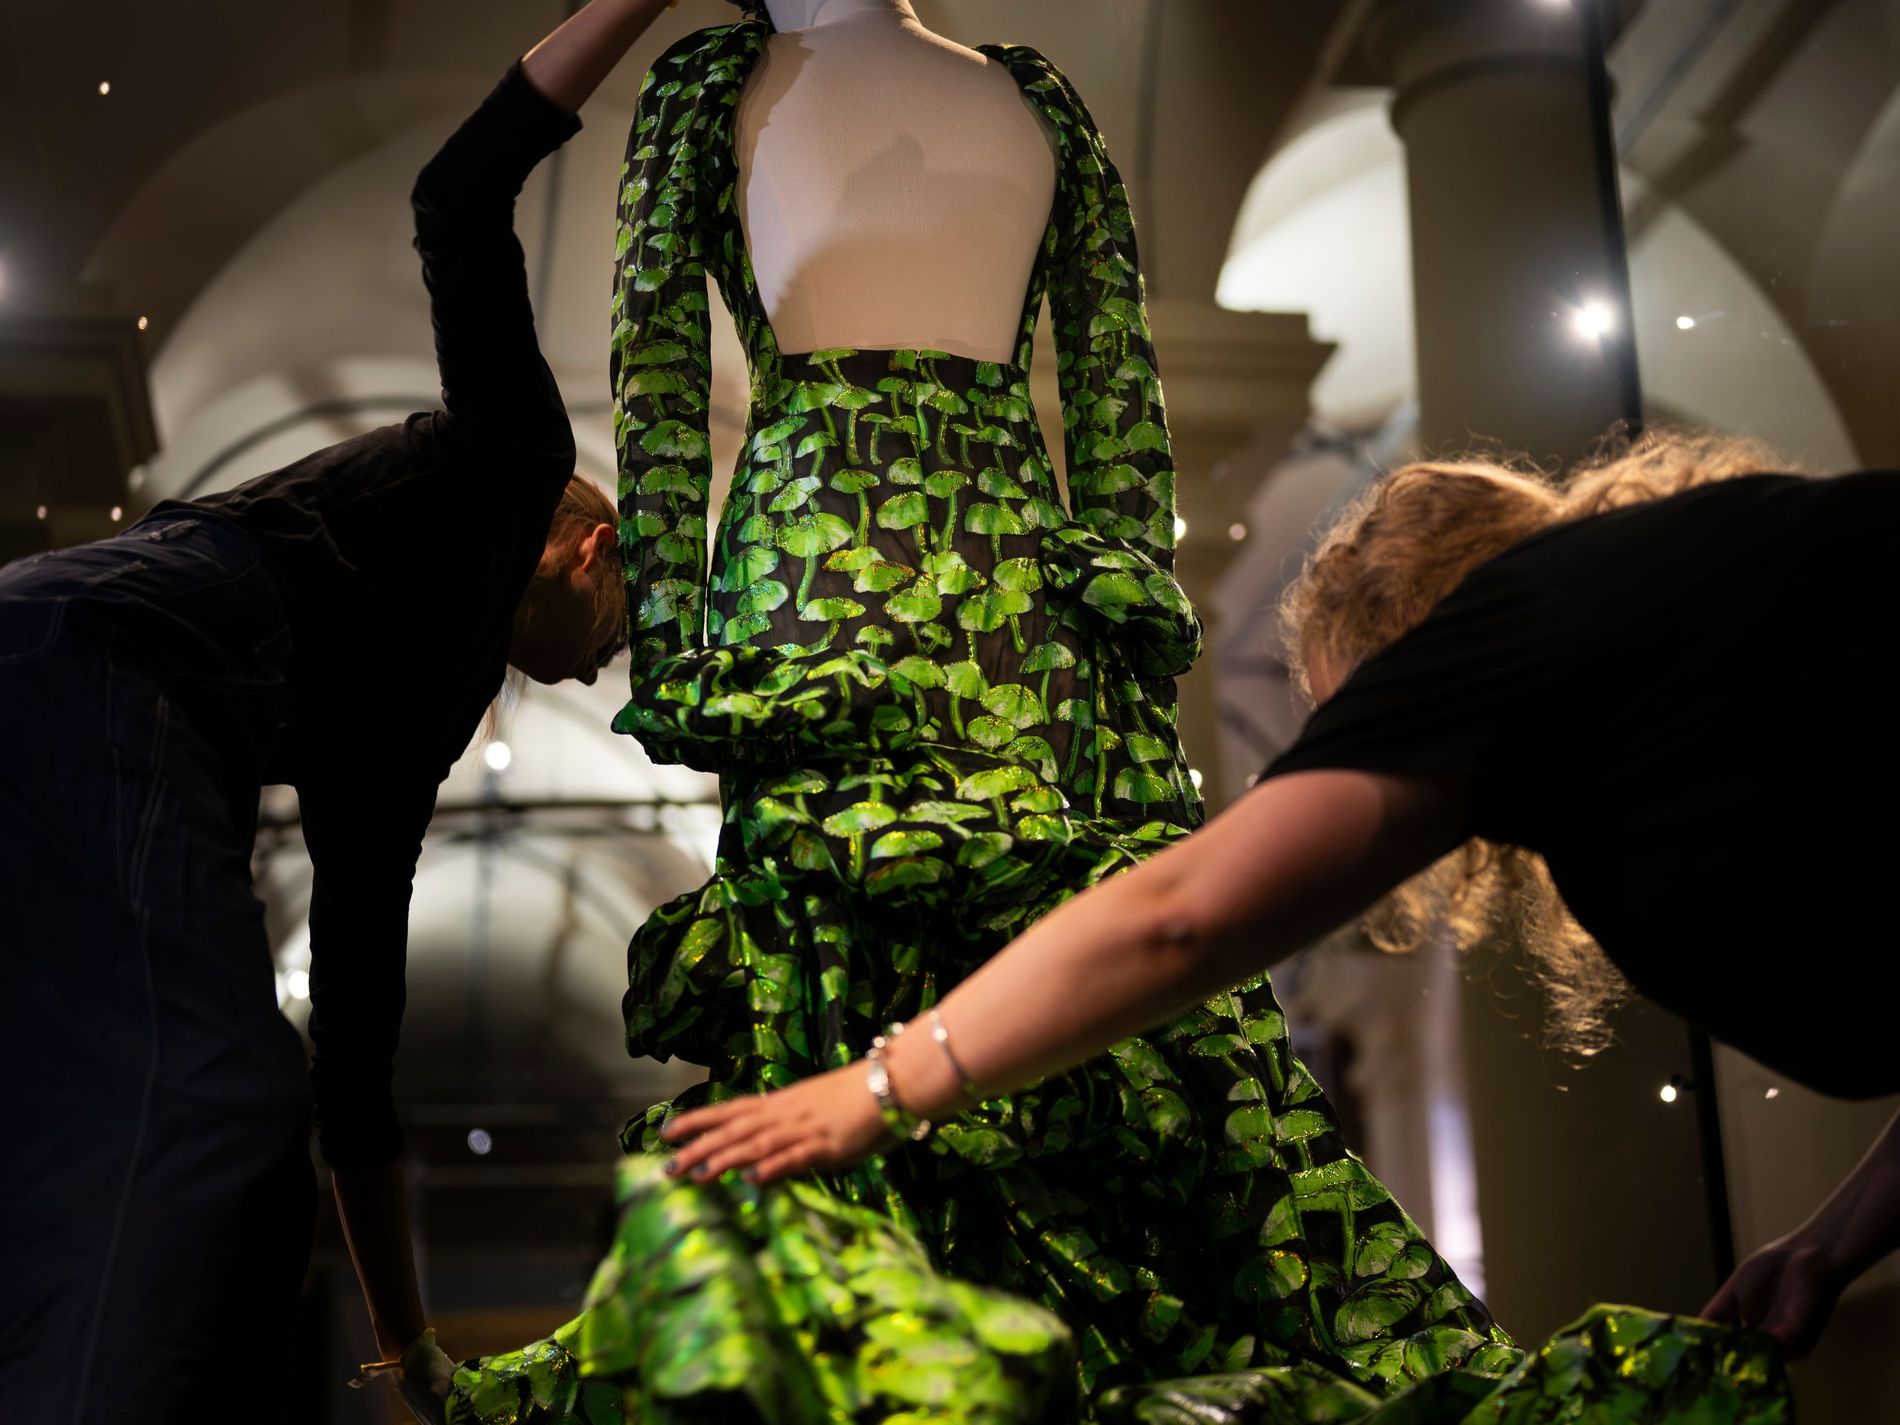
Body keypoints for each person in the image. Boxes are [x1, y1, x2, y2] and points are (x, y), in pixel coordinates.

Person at [667, 431, 1900, 1395]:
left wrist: (880, 1087)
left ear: (1404, 647)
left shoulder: (1512, 627)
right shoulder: (1671, 608)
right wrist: (1835, 1239)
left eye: (1351, 723)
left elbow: (1184, 915)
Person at [0, 3, 670, 1417]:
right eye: (624, 627)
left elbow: (356, 1065)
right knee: (204, 1106)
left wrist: (407, 1346)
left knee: (214, 1136)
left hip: (92, 695)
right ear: (590, 549)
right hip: (99, 666)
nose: (609, 668)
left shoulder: (399, 744)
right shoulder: (513, 466)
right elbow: (459, 190)